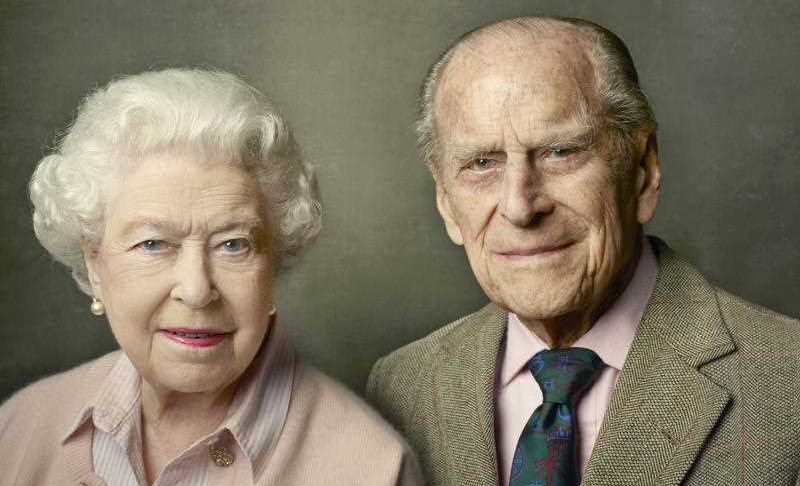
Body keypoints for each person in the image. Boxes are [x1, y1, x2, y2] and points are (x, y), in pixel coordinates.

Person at [367, 16, 800, 486]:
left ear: (643, 169)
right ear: (446, 203)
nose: (519, 206)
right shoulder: (401, 386)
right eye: (482, 163)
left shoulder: (785, 382)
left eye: (560, 151)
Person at [0, 68, 423, 486]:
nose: (197, 290)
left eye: (233, 244)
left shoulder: (373, 469)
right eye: (153, 244)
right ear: (96, 266)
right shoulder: (19, 427)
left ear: (273, 263)